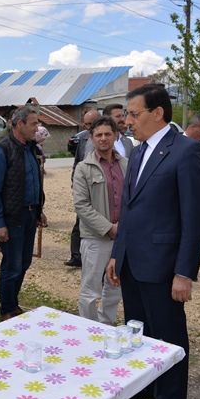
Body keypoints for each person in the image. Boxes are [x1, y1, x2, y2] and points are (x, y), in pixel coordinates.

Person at [105, 83, 200, 399]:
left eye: (134, 115)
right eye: (127, 116)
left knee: (168, 334)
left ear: (158, 113)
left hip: (163, 264)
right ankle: (146, 386)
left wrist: (184, 273)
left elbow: (194, 219)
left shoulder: (186, 152)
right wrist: (117, 256)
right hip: (134, 262)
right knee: (139, 330)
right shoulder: (137, 151)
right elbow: (130, 210)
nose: (128, 122)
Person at [0, 105, 47, 320]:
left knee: (24, 263)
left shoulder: (30, 148)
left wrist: (39, 209)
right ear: (19, 124)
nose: (37, 128)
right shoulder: (2, 150)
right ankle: (6, 309)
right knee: (12, 265)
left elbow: (33, 182)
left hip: (30, 216)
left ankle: (13, 304)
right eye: (33, 123)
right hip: (12, 218)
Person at [73, 116, 127, 325]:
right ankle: (87, 328)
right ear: (92, 137)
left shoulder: (126, 165)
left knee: (114, 287)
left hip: (121, 237)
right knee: (90, 289)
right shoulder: (84, 168)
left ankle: (106, 326)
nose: (103, 139)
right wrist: (109, 228)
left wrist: (123, 228)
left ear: (115, 136)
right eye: (99, 135)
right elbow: (82, 205)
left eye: (107, 134)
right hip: (96, 238)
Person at [66, 108, 102, 267]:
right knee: (79, 220)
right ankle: (76, 256)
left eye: (91, 123)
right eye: (85, 124)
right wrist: (74, 181)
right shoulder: (82, 140)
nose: (87, 127)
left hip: (100, 186)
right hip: (83, 185)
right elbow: (77, 162)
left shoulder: (104, 139)